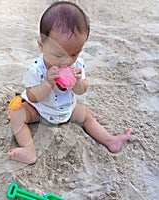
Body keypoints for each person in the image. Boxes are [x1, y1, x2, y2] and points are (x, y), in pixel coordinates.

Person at [7, 1, 131, 164]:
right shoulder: (36, 69)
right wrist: (47, 84)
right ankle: (29, 150)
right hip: (40, 110)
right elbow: (32, 96)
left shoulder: (77, 65)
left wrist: (78, 81)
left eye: (73, 54)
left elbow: (81, 90)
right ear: (41, 46)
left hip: (66, 111)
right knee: (17, 114)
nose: (66, 61)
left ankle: (110, 140)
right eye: (59, 55)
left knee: (86, 115)